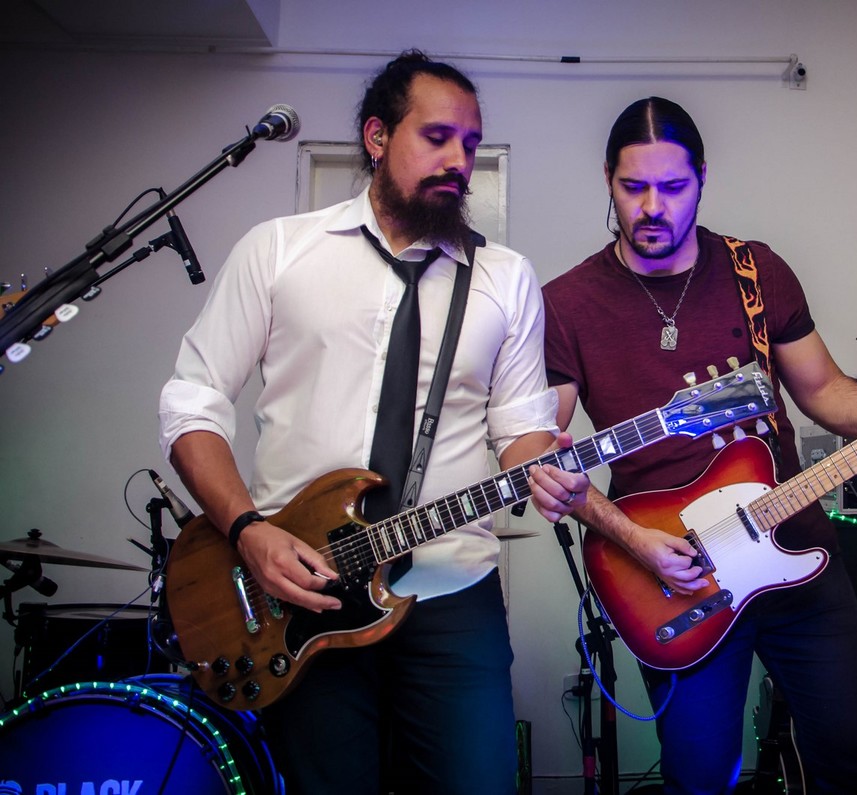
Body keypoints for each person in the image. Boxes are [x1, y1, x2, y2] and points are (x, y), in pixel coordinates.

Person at [158, 50, 589, 794]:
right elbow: (191, 402)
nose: (458, 161)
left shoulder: (506, 277)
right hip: (301, 592)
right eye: (437, 137)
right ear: (377, 136)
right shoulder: (278, 251)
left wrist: (545, 469)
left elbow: (519, 428)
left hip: (452, 591)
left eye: (470, 144)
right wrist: (248, 531)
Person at [542, 96, 857, 794]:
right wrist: (632, 539)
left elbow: (823, 389)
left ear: (703, 177)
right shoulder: (567, 304)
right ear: (608, 179)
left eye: (673, 187)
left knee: (850, 755)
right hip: (676, 575)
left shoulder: (756, 271)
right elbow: (546, 459)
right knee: (702, 776)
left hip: (797, 548)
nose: (652, 207)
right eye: (633, 186)